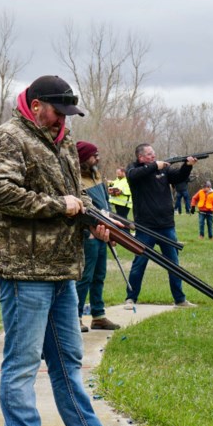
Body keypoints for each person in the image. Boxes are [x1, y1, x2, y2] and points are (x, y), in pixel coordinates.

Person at [0, 74, 134, 426]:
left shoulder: (62, 140)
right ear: (35, 105)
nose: (62, 121)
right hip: (22, 269)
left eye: (67, 114)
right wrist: (59, 206)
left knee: (68, 361)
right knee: (23, 364)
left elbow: (74, 197)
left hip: (62, 268)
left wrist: (93, 220)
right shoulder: (9, 137)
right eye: (57, 112)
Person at [125, 144, 197, 307]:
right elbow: (133, 175)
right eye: (149, 154)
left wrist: (187, 166)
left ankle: (180, 299)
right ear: (141, 157)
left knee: (174, 264)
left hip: (166, 225)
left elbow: (178, 177)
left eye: (154, 154)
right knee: (139, 264)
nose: (153, 156)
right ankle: (131, 298)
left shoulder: (164, 169)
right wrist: (153, 166)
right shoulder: (134, 169)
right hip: (145, 226)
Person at [75, 141, 121, 333]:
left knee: (99, 275)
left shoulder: (96, 175)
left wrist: (111, 228)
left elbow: (105, 204)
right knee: (85, 276)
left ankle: (98, 316)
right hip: (88, 233)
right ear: (83, 158)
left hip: (103, 229)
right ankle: (75, 317)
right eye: (94, 155)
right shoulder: (76, 179)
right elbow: (82, 207)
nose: (97, 158)